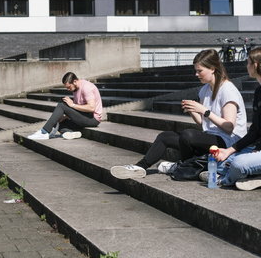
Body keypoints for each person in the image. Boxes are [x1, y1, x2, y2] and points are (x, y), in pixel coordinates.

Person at [110, 49, 247, 179]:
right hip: (210, 138)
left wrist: (204, 111)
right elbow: (203, 123)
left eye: (200, 71)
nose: (196, 74)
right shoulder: (205, 89)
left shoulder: (227, 90)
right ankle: (139, 167)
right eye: (196, 71)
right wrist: (193, 110)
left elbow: (229, 126)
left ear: (212, 69)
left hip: (228, 142)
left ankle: (184, 166)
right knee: (165, 136)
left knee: (188, 135)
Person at [209, 47, 261, 190]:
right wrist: (229, 150)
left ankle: (224, 180)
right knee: (223, 161)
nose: (246, 66)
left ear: (256, 65)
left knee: (238, 163)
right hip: (258, 148)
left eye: (248, 63)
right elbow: (255, 131)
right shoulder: (258, 92)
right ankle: (252, 176)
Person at [27, 72, 103, 140]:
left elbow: (91, 108)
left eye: (69, 87)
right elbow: (79, 108)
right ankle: (70, 133)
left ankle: (44, 132)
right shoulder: (75, 89)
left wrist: (72, 105)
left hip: (93, 119)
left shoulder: (86, 87)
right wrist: (66, 116)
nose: (68, 89)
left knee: (61, 105)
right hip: (85, 116)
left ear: (75, 81)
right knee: (58, 121)